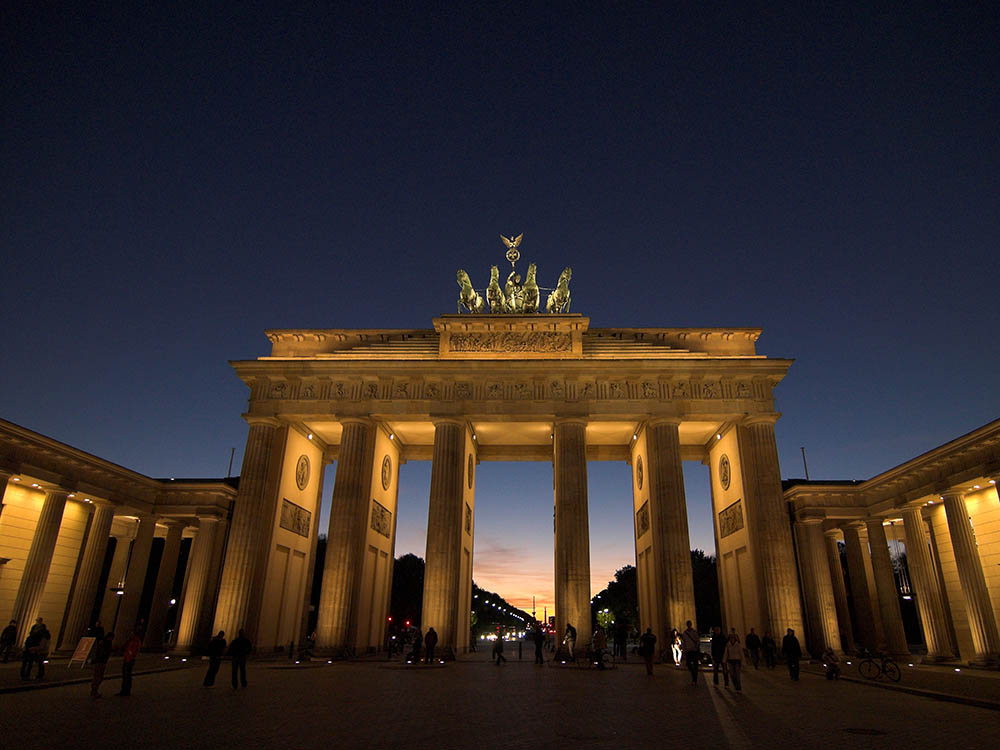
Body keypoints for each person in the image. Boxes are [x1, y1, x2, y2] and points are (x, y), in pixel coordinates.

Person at [117, 628, 142, 696]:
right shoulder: (132, 640)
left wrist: (129, 654)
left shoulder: (135, 641)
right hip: (127, 658)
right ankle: (124, 690)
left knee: (127, 675)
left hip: (129, 659)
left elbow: (133, 650)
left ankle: (126, 690)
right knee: (126, 675)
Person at [90, 632, 113, 697]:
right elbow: (102, 652)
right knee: (98, 677)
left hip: (100, 661)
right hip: (101, 661)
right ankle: (94, 691)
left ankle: (94, 691)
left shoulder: (103, 642)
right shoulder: (105, 643)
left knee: (98, 676)